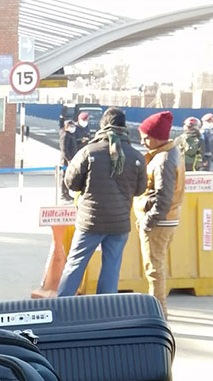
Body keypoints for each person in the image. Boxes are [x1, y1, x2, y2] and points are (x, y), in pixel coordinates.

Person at [57, 108, 146, 296]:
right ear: (124, 126)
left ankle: (61, 307)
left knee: (75, 264)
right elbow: (140, 189)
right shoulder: (137, 157)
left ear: (103, 125)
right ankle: (105, 311)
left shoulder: (89, 152)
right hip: (119, 224)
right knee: (111, 268)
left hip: (90, 222)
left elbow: (71, 183)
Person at [135, 111, 184, 316]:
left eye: (145, 136)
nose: (142, 141)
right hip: (166, 220)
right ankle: (158, 311)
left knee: (154, 270)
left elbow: (163, 198)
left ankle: (158, 315)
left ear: (156, 137)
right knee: (157, 267)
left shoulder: (163, 160)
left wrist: (147, 221)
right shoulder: (169, 153)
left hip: (158, 223)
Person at [59, 119, 79, 202]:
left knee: (68, 176)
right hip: (66, 160)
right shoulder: (65, 135)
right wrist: (69, 159)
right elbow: (64, 149)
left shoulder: (71, 135)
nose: (72, 128)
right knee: (64, 177)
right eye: (71, 126)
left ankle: (67, 193)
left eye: (73, 126)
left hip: (72, 159)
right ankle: (63, 193)